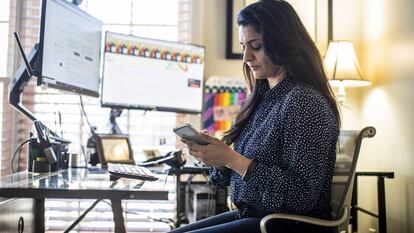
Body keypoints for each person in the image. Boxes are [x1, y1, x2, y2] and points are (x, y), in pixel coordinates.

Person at [169, 0, 340, 232]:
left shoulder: (304, 102)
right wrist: (219, 159)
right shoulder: (264, 99)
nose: (246, 57)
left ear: (283, 44)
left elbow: (301, 196)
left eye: (256, 46)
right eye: (243, 47)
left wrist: (231, 158)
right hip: (256, 217)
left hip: (286, 225)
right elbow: (232, 177)